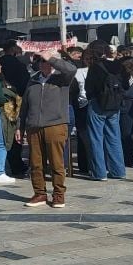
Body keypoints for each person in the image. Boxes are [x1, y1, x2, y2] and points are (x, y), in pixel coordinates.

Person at [18, 49, 78, 208]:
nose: (44, 63)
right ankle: (39, 194)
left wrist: (51, 58)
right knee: (36, 163)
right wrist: (21, 126)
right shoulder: (33, 80)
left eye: (47, 61)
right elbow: (25, 105)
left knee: (56, 162)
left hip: (55, 125)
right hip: (34, 126)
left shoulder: (62, 79)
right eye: (42, 61)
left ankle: (58, 194)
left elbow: (72, 69)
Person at [82, 42, 127, 180]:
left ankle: (99, 173)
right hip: (114, 105)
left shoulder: (96, 67)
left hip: (97, 104)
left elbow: (89, 86)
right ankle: (118, 171)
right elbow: (126, 84)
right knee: (114, 137)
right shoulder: (120, 66)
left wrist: (91, 98)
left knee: (96, 138)